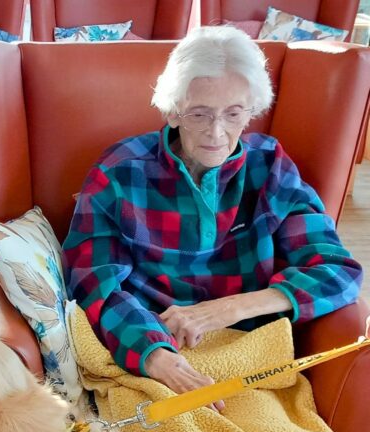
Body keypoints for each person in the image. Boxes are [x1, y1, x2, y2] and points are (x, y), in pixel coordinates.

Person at [63, 26, 362, 410]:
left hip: (250, 349)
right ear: (173, 112)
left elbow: (338, 271)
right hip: (148, 343)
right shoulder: (119, 172)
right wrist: (156, 357)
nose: (217, 133)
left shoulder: (270, 168)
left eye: (233, 114)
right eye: (200, 114)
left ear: (251, 110)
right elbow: (94, 283)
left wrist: (229, 309)